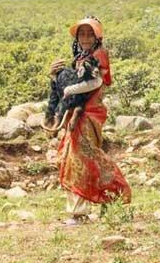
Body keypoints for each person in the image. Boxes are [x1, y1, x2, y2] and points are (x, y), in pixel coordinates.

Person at [48, 16, 131, 225]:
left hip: (89, 114)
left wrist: (69, 89)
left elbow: (96, 81)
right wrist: (54, 78)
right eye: (82, 34)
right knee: (75, 158)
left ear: (97, 36)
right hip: (79, 114)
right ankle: (108, 199)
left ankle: (81, 211)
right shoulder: (80, 57)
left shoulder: (99, 54)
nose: (85, 38)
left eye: (89, 33)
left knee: (79, 159)